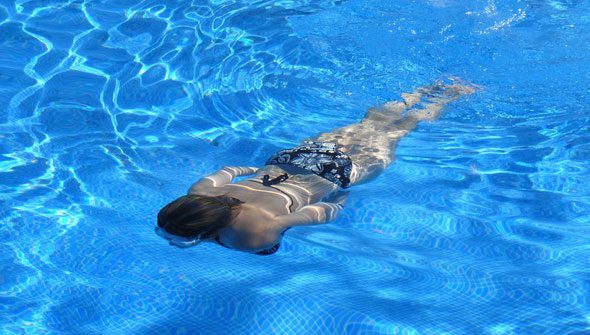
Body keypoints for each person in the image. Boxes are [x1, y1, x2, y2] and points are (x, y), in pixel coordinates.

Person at [155, 80, 477, 255]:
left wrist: (337, 204)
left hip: (334, 174)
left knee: (400, 130)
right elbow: (229, 169)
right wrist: (254, 168)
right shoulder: (199, 191)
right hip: (291, 159)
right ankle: (422, 89)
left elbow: (310, 215)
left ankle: (451, 96)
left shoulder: (249, 236)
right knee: (372, 122)